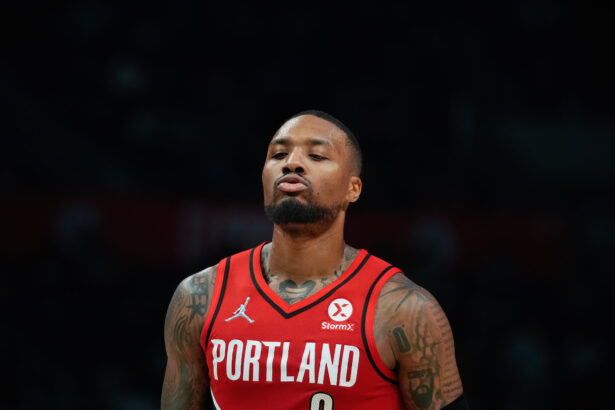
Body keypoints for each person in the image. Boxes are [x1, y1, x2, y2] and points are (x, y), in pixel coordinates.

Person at [161, 110, 469, 409]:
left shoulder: (405, 310)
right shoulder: (199, 297)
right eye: (278, 154)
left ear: (353, 189)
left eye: (317, 156)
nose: (292, 163)